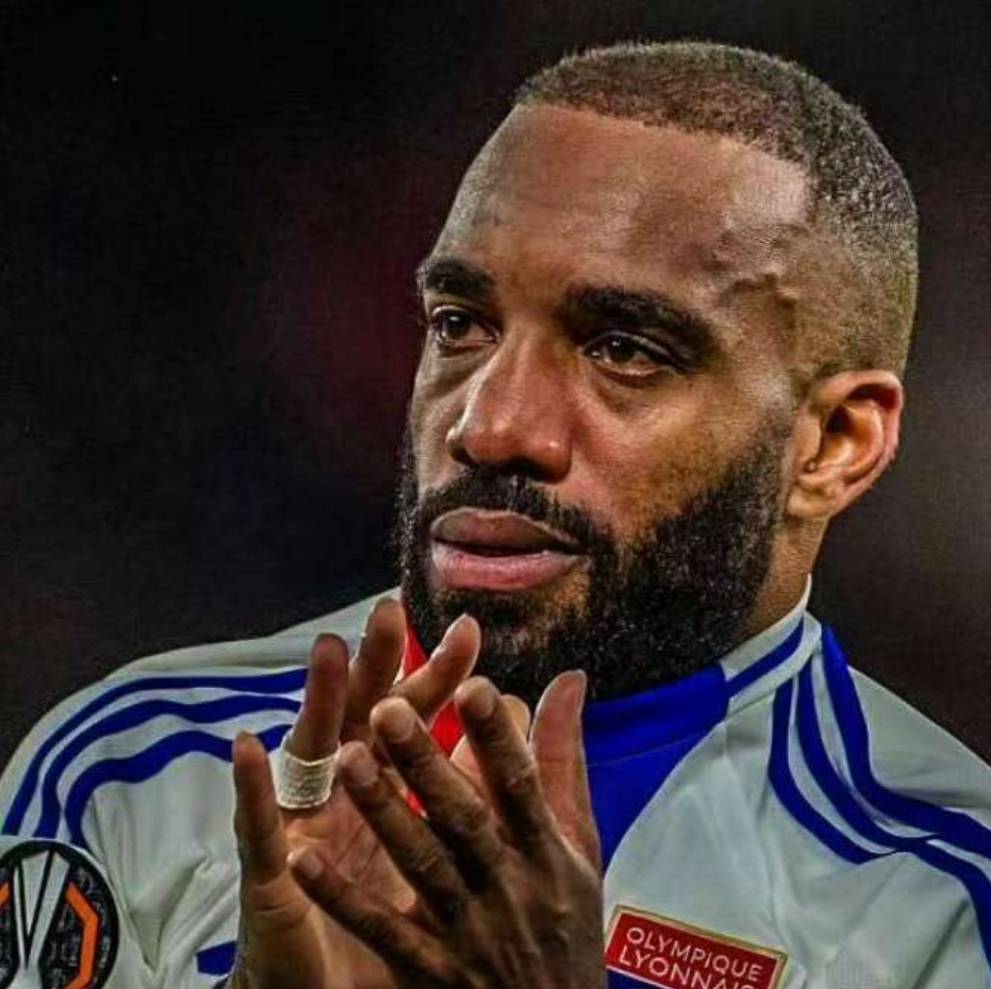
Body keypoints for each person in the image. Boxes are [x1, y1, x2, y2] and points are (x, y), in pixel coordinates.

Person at [1, 39, 988, 988]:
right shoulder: (132, 772)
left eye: (625, 349)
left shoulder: (943, 901)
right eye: (460, 325)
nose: (489, 426)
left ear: (833, 442)